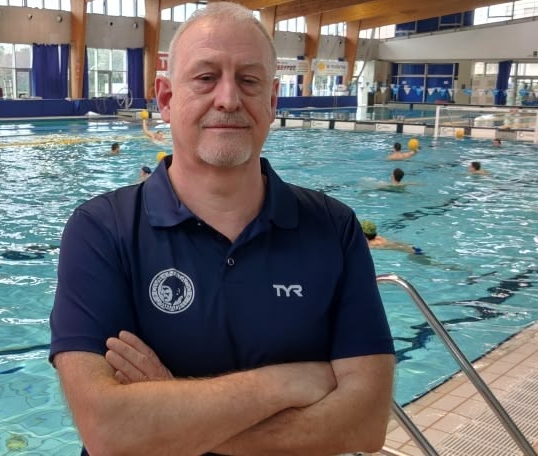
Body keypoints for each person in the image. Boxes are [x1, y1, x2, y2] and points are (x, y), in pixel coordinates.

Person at [49, 3, 394, 455]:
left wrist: (168, 408)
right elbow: (109, 431)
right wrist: (285, 383)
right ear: (167, 98)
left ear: (271, 102)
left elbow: (365, 424)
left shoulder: (334, 227)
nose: (229, 99)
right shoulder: (100, 230)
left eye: (249, 80)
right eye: (206, 77)